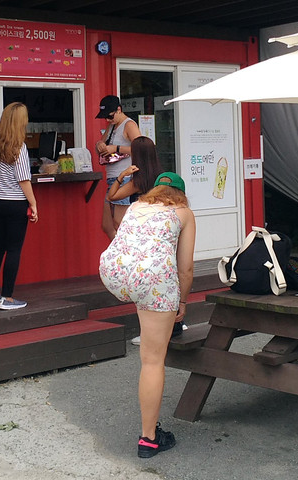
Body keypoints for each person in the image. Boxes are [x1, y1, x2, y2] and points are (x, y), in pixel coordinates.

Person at [99, 172, 196, 459]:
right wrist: (182, 301)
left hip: (114, 272)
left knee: (143, 296)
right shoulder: (183, 213)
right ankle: (149, 438)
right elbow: (186, 269)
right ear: (181, 194)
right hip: (153, 281)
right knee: (153, 361)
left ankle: (146, 305)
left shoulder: (135, 206)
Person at [0, 102, 39, 311]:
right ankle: (8, 298)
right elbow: (24, 179)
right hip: (15, 203)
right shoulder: (19, 146)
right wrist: (33, 204)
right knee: (14, 249)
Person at [94, 95, 141, 239]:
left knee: (119, 223)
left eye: (110, 116)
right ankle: (119, 254)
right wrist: (99, 145)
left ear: (119, 110)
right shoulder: (112, 126)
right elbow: (100, 147)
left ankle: (128, 256)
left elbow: (140, 148)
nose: (108, 120)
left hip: (124, 177)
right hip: (113, 177)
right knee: (107, 225)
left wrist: (116, 148)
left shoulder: (129, 125)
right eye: (105, 118)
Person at [105, 135, 162, 228]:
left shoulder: (138, 181)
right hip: (157, 222)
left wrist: (122, 175)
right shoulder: (160, 176)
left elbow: (111, 196)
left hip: (140, 223)